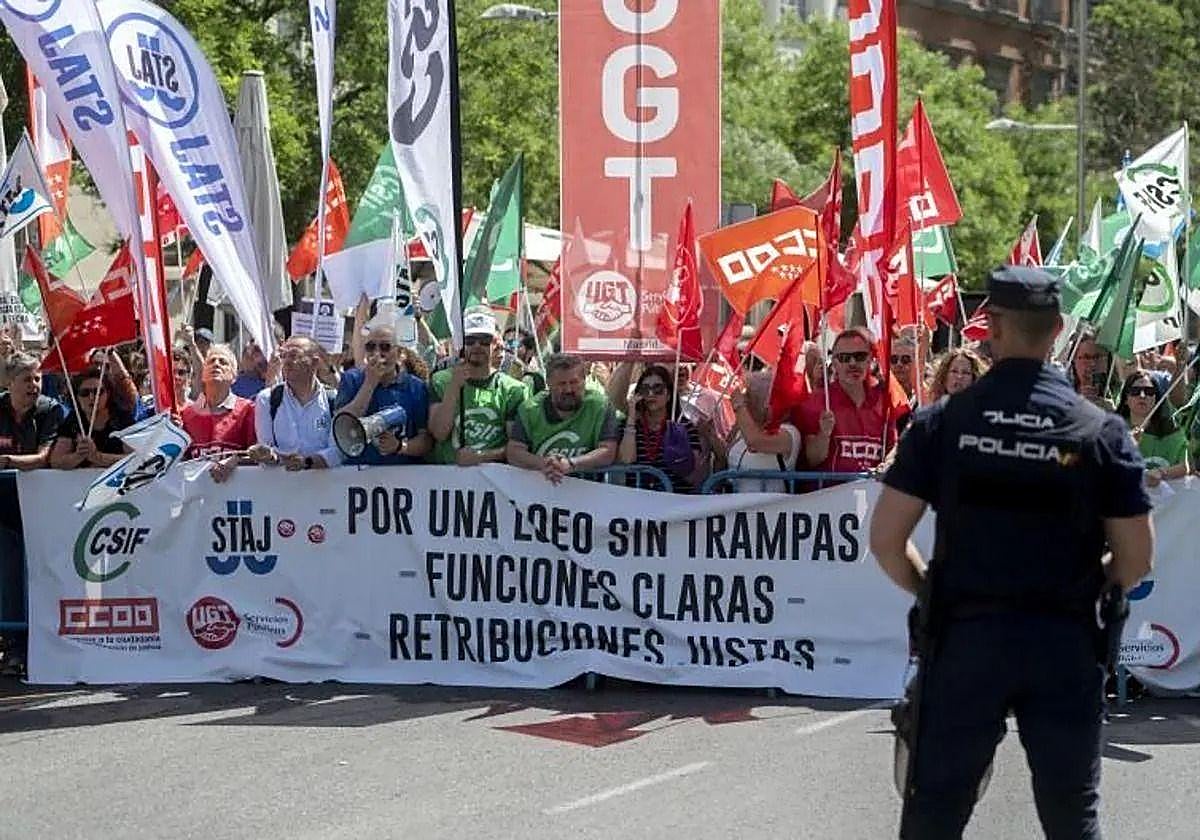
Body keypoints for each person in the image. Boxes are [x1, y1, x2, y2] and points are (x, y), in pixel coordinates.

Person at [870, 266, 1154, 839]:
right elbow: (1136, 559)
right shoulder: (1099, 432)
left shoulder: (944, 422)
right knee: (1072, 816)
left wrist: (930, 586)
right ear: (1057, 331)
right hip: (1063, 643)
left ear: (990, 326)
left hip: (966, 642)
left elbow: (885, 540)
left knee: (934, 813)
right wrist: (1085, 585)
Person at [428, 310, 528, 466]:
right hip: (446, 483)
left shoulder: (514, 390)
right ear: (461, 344)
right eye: (470, 341)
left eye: (484, 341)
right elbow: (439, 433)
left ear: (495, 343)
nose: (477, 346)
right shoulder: (440, 381)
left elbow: (517, 448)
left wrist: (481, 457)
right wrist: (454, 387)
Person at [796, 327, 900, 475]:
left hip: (870, 494)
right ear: (835, 363)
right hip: (829, 495)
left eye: (859, 356)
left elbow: (892, 450)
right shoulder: (816, 402)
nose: (852, 363)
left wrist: (888, 463)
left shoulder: (883, 401)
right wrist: (824, 434)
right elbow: (813, 459)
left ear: (870, 359)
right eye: (844, 358)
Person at [506, 352, 619, 485]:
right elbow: (514, 451)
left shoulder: (601, 406)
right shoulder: (529, 409)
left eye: (574, 382)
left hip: (587, 492)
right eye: (561, 384)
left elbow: (608, 451)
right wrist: (544, 464)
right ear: (548, 383)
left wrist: (571, 464)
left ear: (584, 380)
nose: (568, 389)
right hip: (538, 490)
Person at [335, 320, 432, 464]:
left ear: (399, 353)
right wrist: (370, 383)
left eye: (385, 347)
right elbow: (341, 425)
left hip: (402, 475)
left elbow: (426, 440)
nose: (377, 353)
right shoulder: (352, 379)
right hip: (359, 474)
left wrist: (400, 447)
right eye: (370, 347)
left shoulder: (415, 386)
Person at [250, 336, 340, 471]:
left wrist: (307, 462)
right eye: (283, 355)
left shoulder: (334, 399)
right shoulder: (267, 399)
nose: (286, 362)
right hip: (280, 488)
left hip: (323, 487)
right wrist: (268, 456)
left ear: (315, 363)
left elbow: (337, 452)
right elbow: (267, 448)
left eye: (294, 355)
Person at [618, 364, 709, 493]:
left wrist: (681, 460)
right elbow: (627, 459)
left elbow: (694, 477)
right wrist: (632, 414)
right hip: (638, 502)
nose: (651, 394)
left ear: (669, 395)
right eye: (645, 389)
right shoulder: (630, 425)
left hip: (675, 500)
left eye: (658, 389)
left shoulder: (684, 426)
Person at [181, 344, 257, 482]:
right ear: (203, 375)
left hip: (236, 496)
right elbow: (180, 461)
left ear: (234, 376)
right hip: (197, 498)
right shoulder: (186, 415)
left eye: (223, 362)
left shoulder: (248, 410)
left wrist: (235, 461)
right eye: (211, 361)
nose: (216, 364)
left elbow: (257, 454)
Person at [727, 371, 802, 492]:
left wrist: (738, 405)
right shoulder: (744, 428)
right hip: (737, 505)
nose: (745, 401)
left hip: (770, 508)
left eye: (749, 396)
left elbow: (755, 441)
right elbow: (726, 454)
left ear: (766, 402)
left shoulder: (789, 433)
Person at [49, 366, 133, 469]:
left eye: (98, 392)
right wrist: (78, 456)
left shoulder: (122, 418)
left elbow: (135, 458)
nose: (92, 398)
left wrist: (98, 457)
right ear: (76, 397)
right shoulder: (73, 420)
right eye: (84, 393)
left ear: (108, 393)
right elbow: (56, 461)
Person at [1116, 370, 1189, 487]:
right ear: (1125, 399)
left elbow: (1186, 465)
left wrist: (1161, 473)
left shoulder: (1170, 429)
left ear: (1156, 399)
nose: (1142, 396)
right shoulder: (1113, 430)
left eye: (1149, 391)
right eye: (1135, 391)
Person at [0, 352, 63, 470]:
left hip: (36, 484)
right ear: (10, 383)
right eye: (27, 379)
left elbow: (43, 458)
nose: (34, 385)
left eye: (37, 379)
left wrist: (6, 461)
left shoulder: (51, 410)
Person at [1071, 329, 1115, 411]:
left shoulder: (1127, 394)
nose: (1092, 364)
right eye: (1086, 357)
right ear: (1074, 360)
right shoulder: (1061, 393)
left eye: (1098, 357)